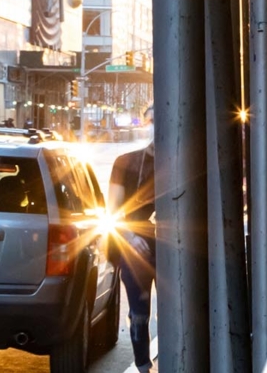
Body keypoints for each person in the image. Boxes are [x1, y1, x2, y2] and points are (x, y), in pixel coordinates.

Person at [109, 139, 157, 372]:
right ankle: (143, 366)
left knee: (170, 309)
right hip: (135, 246)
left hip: (162, 243)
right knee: (139, 313)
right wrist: (130, 236)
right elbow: (113, 211)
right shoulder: (126, 162)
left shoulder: (177, 161)